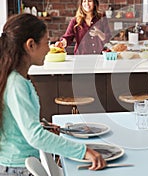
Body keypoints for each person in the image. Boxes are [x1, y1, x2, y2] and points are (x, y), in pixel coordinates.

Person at [0, 13, 106, 175]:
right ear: (30, 45)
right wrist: (83, 151)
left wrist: (43, 127)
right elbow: (35, 137)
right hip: (17, 168)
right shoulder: (16, 83)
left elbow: (18, 122)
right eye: (46, 42)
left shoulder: (17, 78)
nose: (49, 48)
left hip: (19, 164)